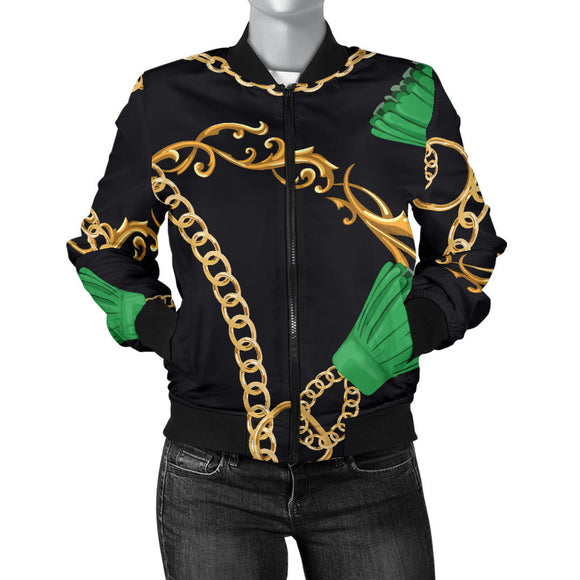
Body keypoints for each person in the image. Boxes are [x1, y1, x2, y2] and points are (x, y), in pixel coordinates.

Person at [66, 0, 507, 577]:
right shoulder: (167, 96)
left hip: (369, 464)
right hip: (213, 472)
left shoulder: (403, 92)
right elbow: (104, 246)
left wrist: (408, 331)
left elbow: (467, 245)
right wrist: (173, 334)